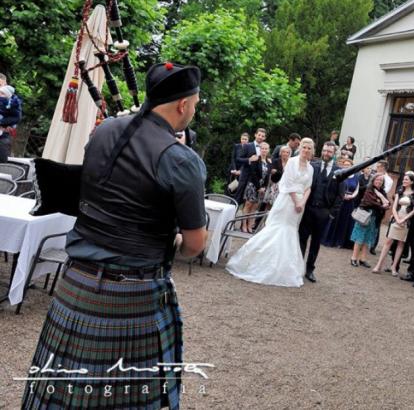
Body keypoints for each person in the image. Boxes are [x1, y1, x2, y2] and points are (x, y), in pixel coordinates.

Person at [22, 62, 207, 409]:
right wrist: (176, 242)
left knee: (61, 393)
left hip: (75, 284)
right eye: (195, 102)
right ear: (183, 104)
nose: (194, 109)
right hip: (133, 298)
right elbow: (195, 245)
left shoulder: (105, 130)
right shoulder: (182, 160)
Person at [226, 138, 315, 287]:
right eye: (304, 147)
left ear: (312, 150)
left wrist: (302, 202)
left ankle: (286, 268)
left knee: (291, 231)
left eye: (309, 148)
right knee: (278, 229)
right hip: (288, 200)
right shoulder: (292, 162)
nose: (306, 150)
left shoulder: (310, 168)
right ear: (300, 148)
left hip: (300, 205)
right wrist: (296, 201)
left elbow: (308, 187)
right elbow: (288, 184)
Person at [299, 141, 342, 282]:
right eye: (324, 150)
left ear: (334, 154)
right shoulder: (313, 166)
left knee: (316, 243)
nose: (326, 154)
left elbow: (340, 196)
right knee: (301, 239)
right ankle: (298, 267)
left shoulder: (339, 171)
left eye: (329, 152)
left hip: (324, 212)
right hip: (308, 210)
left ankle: (310, 269)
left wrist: (331, 214)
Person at [373, 171, 414, 276]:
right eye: (404, 179)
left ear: (411, 182)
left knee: (401, 244)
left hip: (406, 222)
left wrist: (404, 219)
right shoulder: (399, 191)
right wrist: (397, 219)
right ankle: (379, 265)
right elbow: (394, 206)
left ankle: (394, 267)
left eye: (406, 179)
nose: (404, 181)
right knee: (388, 242)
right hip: (396, 220)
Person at [350, 174, 390, 267]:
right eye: (377, 179)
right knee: (359, 237)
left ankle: (363, 259)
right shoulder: (369, 189)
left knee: (368, 239)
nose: (379, 181)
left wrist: (382, 203)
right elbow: (370, 202)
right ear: (373, 180)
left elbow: (388, 203)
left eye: (381, 180)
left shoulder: (382, 191)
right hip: (364, 216)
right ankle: (353, 258)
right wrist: (381, 204)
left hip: (374, 218)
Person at [323, 157, 360, 248]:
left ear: (352, 166)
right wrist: (342, 196)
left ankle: (341, 242)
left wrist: (352, 196)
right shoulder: (340, 175)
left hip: (349, 203)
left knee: (345, 222)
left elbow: (357, 189)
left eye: (348, 165)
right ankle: (332, 240)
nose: (346, 166)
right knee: (336, 221)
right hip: (340, 201)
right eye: (345, 165)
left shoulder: (356, 176)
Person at [240, 141, 272, 233]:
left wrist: (264, 187)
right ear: (260, 149)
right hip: (253, 185)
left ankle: (250, 226)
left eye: (266, 149)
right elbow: (253, 174)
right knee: (248, 205)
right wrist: (258, 187)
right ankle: (244, 225)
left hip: (262, 188)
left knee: (255, 207)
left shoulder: (269, 162)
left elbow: (267, 176)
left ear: (268, 150)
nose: (264, 150)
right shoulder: (255, 159)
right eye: (262, 148)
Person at [235, 127, 266, 205]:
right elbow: (238, 159)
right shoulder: (247, 145)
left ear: (264, 138)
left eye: (262, 136)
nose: (260, 137)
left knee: (251, 202)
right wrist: (249, 159)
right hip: (246, 175)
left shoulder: (265, 148)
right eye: (259, 135)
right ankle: (232, 215)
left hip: (256, 178)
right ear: (255, 135)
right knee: (239, 197)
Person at [0, 84, 21, 163]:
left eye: (2, 93)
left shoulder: (12, 104)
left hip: (3, 135)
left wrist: (2, 122)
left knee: (2, 158)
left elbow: (17, 117)